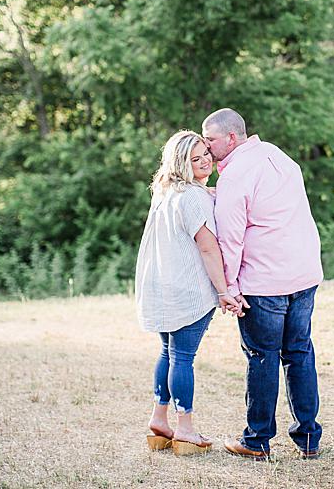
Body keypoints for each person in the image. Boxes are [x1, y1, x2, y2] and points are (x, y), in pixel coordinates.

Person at [202, 108, 324, 460]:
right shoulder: (277, 156)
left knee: (262, 356)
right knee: (299, 353)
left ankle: (256, 440)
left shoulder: (236, 175)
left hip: (265, 281)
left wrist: (230, 288)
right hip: (303, 274)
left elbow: (230, 240)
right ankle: (309, 438)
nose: (206, 147)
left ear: (230, 138)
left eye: (210, 139)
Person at [134, 130, 242, 456]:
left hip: (162, 285)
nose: (205, 160)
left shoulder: (166, 193)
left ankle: (159, 421)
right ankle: (185, 429)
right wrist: (224, 291)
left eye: (206, 153)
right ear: (182, 162)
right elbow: (208, 248)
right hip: (188, 290)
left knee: (168, 354)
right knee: (183, 358)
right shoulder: (193, 197)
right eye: (195, 159)